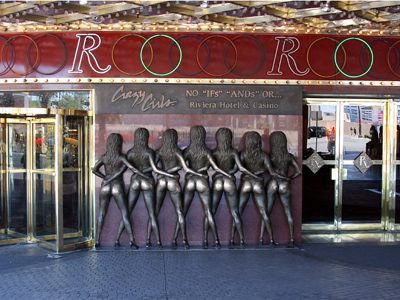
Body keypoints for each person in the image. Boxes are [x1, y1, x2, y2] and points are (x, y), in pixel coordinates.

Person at [115, 128, 175, 249]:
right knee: (152, 213)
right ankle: (157, 241)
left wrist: (138, 172)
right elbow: (154, 168)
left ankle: (117, 239)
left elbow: (128, 168)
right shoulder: (149, 153)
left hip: (135, 181)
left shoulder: (131, 153)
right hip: (148, 181)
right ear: (146, 138)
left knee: (127, 211)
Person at [172, 125, 232, 249]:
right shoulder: (207, 151)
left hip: (190, 181)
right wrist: (227, 174)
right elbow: (214, 167)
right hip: (203, 182)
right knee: (209, 211)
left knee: (183, 211)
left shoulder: (188, 151)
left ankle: (178, 239)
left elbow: (182, 167)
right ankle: (214, 240)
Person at [92, 133, 147, 248]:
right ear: (119, 144)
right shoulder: (121, 157)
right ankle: (132, 240)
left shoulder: (104, 157)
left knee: (102, 213)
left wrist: (104, 178)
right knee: (125, 213)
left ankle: (97, 239)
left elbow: (94, 170)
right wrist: (143, 174)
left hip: (105, 186)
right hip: (117, 186)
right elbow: (132, 168)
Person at [205, 127, 258, 248]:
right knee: (235, 211)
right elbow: (240, 168)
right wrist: (231, 173)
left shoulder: (214, 152)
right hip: (230, 182)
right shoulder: (233, 152)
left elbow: (208, 167)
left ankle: (206, 239)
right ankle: (241, 239)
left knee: (210, 211)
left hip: (218, 181)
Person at [231, 131, 284, 246]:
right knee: (264, 212)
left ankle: (233, 239)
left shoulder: (243, 154)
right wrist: (283, 177)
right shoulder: (263, 155)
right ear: (258, 142)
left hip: (246, 183)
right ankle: (271, 239)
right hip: (258, 184)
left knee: (238, 211)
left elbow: (236, 169)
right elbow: (271, 172)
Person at [154, 128, 204, 249]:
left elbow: (154, 167)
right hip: (173, 182)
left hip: (161, 182)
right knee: (180, 211)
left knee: (154, 211)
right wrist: (199, 174)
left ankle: (152, 240)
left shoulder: (159, 151)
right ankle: (184, 240)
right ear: (175, 139)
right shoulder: (177, 152)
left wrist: (164, 173)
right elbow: (185, 168)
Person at [261, 131, 301, 247]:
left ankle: (263, 238)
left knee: (266, 211)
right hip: (285, 184)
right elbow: (298, 172)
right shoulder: (289, 156)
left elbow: (266, 170)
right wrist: (289, 178)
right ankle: (292, 238)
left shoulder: (270, 156)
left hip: (273, 183)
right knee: (288, 211)